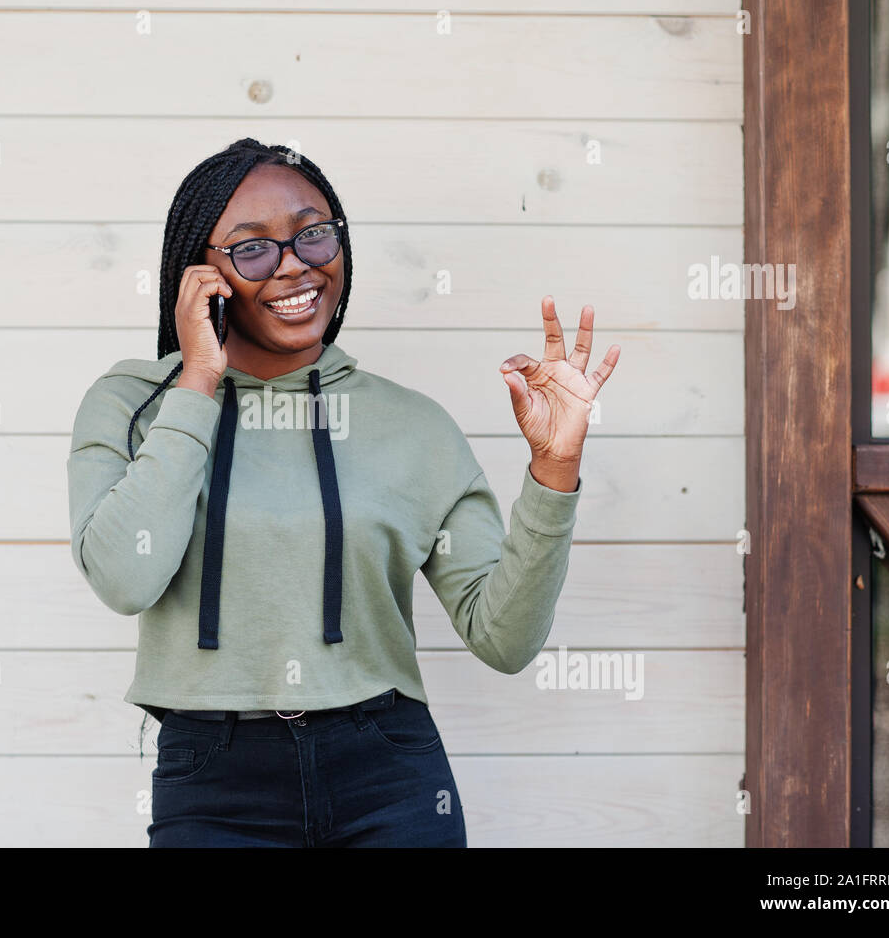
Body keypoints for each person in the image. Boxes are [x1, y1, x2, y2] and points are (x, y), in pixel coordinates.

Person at [66, 138, 620, 847]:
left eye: (312, 233)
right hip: (213, 781)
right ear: (200, 275)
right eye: (253, 248)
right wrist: (198, 382)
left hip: (388, 772)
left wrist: (555, 467)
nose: (295, 262)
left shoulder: (411, 426)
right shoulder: (134, 403)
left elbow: (505, 639)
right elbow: (123, 576)